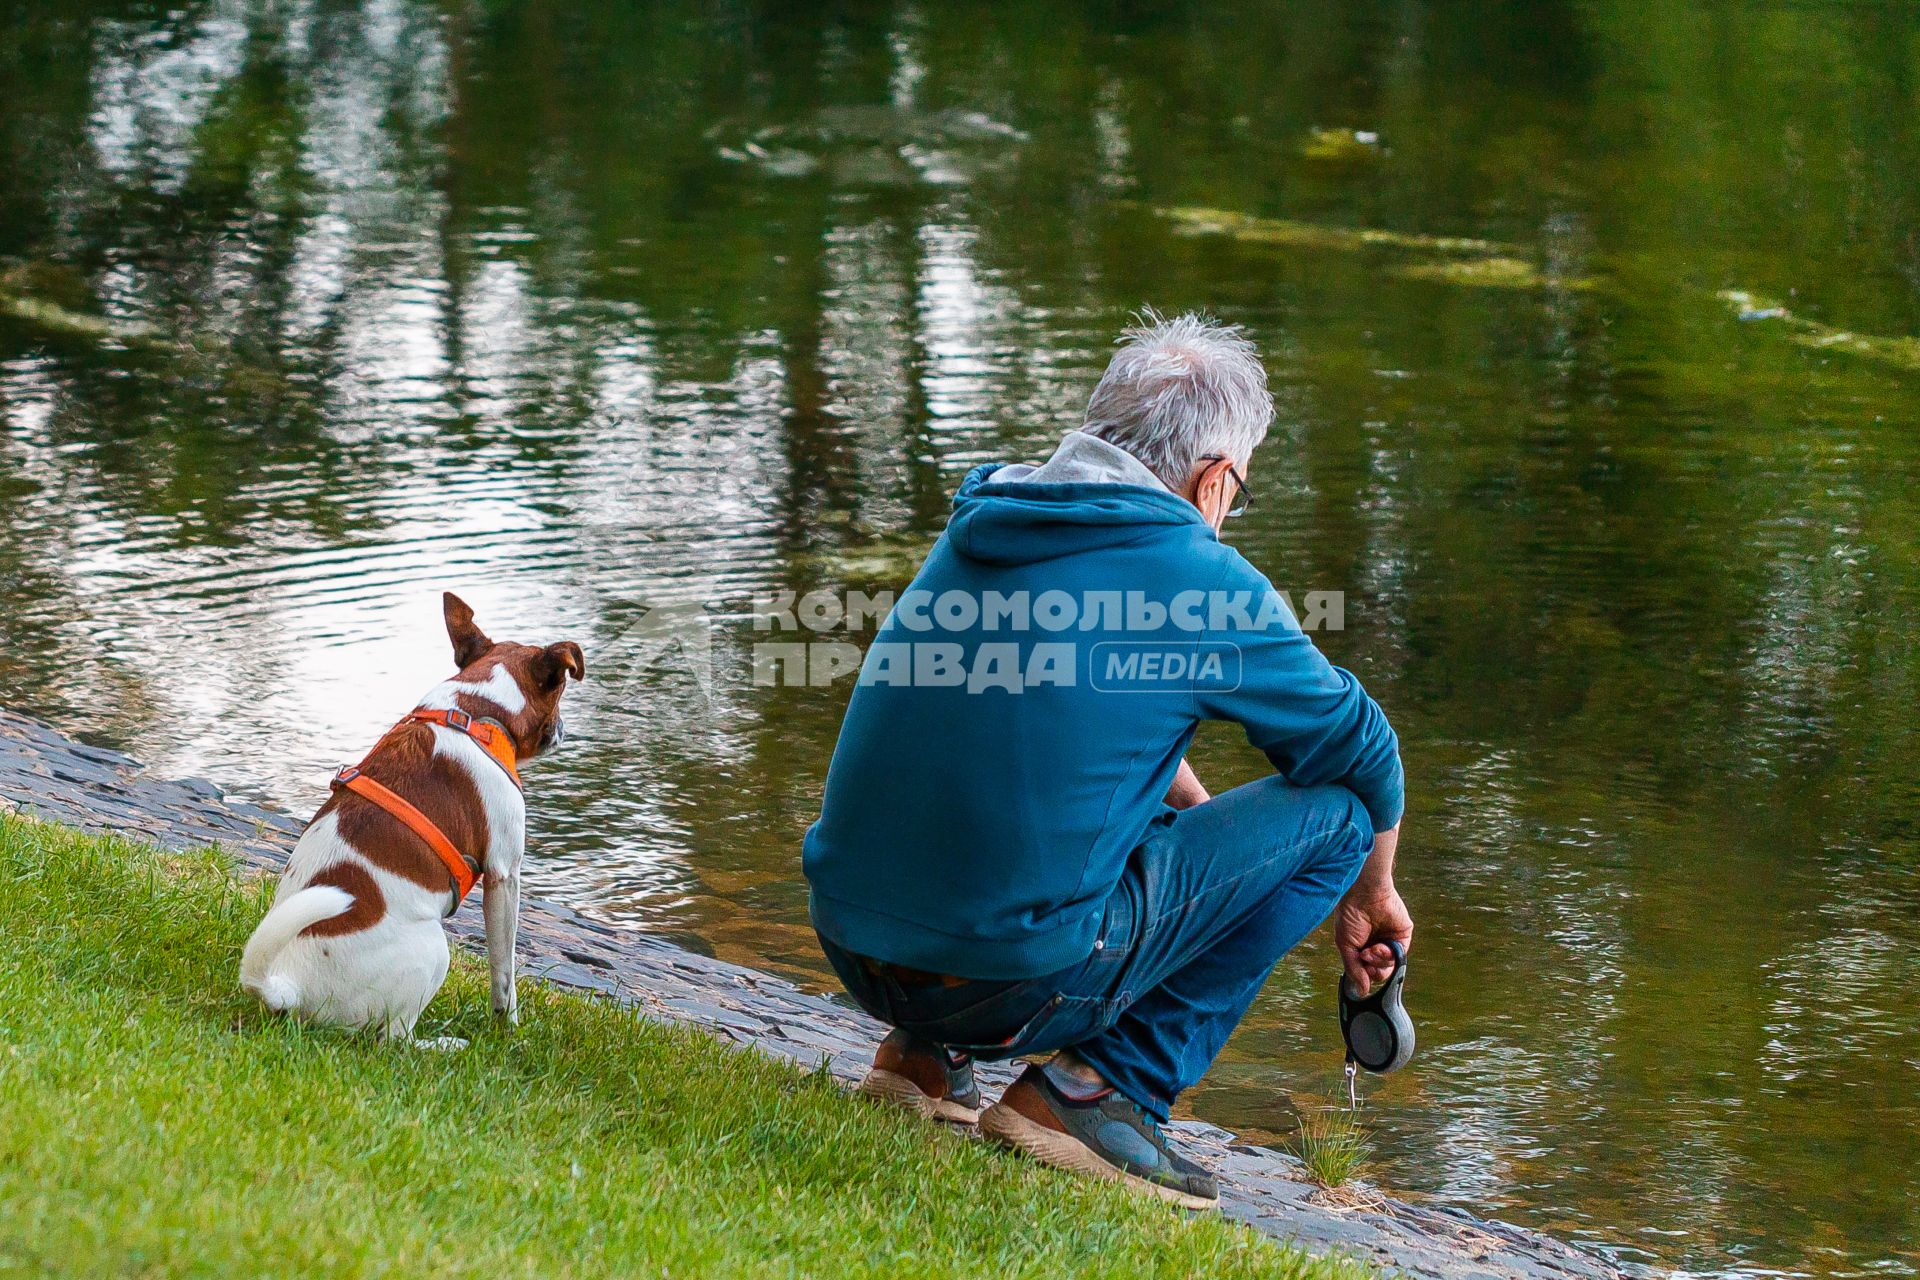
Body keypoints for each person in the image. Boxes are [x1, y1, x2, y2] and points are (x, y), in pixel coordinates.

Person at [802, 311, 1408, 1209]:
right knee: (1340, 824)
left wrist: (1199, 831)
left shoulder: (994, 518)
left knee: (1039, 799)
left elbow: (1062, 722)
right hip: (1009, 977)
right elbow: (1365, 752)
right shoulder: (1194, 575)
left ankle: (926, 1060)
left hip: (860, 948)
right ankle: (1097, 1092)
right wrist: (1373, 889)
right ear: (1213, 480)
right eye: (1238, 494)